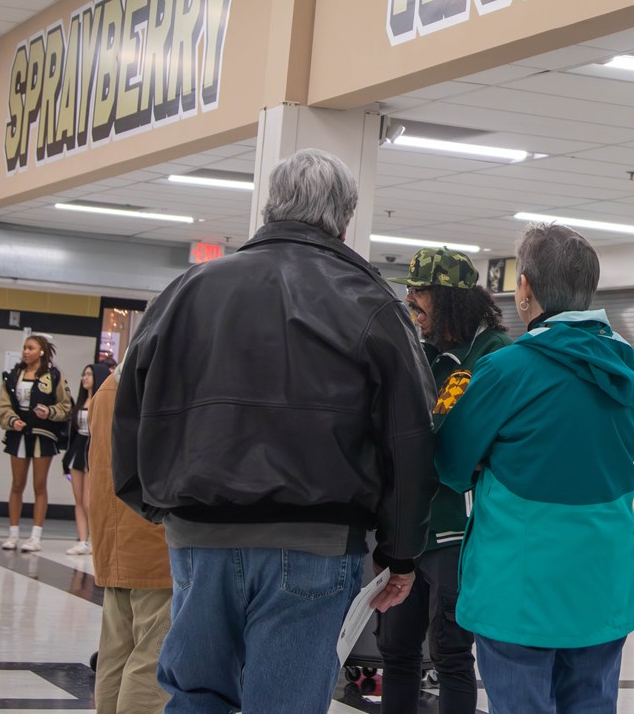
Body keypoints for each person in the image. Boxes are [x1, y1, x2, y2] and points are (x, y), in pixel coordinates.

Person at [111, 148, 440, 714]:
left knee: (195, 695)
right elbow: (410, 438)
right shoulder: (370, 302)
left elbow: (131, 406)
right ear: (343, 220)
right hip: (313, 544)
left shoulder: (189, 291)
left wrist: (157, 504)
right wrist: (400, 552)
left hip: (198, 538)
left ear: (270, 207)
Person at [437, 223, 634, 714]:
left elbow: (449, 462)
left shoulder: (507, 369)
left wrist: (489, 454)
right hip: (602, 584)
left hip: (521, 588)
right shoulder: (625, 368)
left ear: (525, 287)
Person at [378, 247, 511, 714]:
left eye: (421, 293)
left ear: (453, 299)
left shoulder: (494, 354)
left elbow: (481, 442)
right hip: (409, 527)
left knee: (451, 654)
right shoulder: (419, 352)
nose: (412, 303)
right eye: (409, 292)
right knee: (396, 650)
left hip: (460, 530)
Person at [88, 354, 171, 714]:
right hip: (154, 538)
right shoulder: (157, 383)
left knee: (115, 653)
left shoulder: (109, 385)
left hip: (113, 535)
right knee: (153, 658)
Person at [0, 333, 72, 553]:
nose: (25, 352)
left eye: (30, 348)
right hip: (18, 434)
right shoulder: (13, 376)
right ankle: (13, 533)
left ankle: (36, 536)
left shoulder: (54, 376)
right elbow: (3, 404)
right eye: (24, 348)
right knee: (17, 484)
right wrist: (12, 419)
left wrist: (49, 412)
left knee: (39, 485)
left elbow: (66, 405)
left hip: (43, 435)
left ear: (41, 351)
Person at [62, 363, 112, 557]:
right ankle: (82, 540)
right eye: (84, 374)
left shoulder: (101, 401)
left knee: (89, 500)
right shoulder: (80, 402)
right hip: (77, 450)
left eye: (89, 374)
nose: (85, 378)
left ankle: (95, 539)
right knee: (78, 500)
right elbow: (74, 431)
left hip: (94, 449)